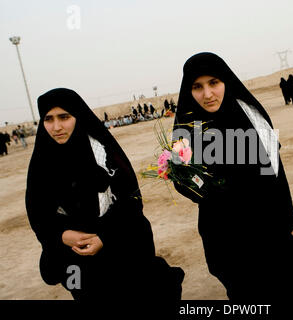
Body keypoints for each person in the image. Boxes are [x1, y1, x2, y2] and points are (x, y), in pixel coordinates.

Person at [172, 52, 293, 302]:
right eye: (197, 87)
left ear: (226, 81)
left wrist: (290, 223)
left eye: (213, 83)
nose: (207, 94)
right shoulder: (188, 126)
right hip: (225, 238)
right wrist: (195, 183)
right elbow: (185, 183)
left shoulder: (251, 115)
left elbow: (275, 173)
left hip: (270, 227)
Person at [26, 88, 184, 304]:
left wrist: (104, 236)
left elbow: (131, 200)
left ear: (77, 117)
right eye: (49, 119)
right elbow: (38, 213)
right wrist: (62, 236)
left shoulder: (103, 151)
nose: (57, 127)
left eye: (64, 117)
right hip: (74, 259)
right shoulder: (41, 162)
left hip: (119, 247)